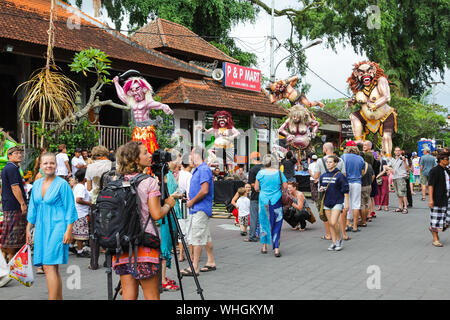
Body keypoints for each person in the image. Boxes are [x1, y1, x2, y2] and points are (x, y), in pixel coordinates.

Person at [112, 141, 175, 300]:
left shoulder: (117, 180)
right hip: (145, 243)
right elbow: (156, 214)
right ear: (135, 159)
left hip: (123, 244)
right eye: (145, 153)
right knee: (152, 295)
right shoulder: (149, 181)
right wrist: (168, 204)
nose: (150, 155)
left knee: (128, 294)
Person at [25, 152, 78, 300]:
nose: (49, 166)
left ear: (56, 165)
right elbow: (33, 208)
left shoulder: (62, 184)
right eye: (46, 163)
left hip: (58, 227)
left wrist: (69, 230)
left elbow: (70, 208)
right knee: (50, 267)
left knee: (49, 265)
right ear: (40, 165)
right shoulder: (36, 184)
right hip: (42, 228)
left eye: (52, 163)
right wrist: (28, 227)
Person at [182, 146, 216, 276]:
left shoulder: (203, 169)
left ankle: (194, 267)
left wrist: (192, 201)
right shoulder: (200, 169)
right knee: (205, 237)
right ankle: (211, 261)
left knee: (197, 237)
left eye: (191, 154)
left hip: (200, 208)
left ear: (196, 154)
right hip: (199, 207)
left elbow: (205, 190)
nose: (190, 157)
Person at [312, 142, 350, 241]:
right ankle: (344, 234)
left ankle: (329, 234)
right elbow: (344, 175)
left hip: (324, 191)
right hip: (338, 189)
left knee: (324, 212)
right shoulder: (340, 160)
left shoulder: (320, 161)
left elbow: (316, 176)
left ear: (325, 149)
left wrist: (312, 174)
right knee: (340, 213)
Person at [85, 146, 113, 270]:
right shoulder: (112, 165)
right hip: (111, 201)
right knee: (109, 230)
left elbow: (89, 188)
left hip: (96, 201)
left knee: (94, 232)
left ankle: (94, 262)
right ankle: (109, 261)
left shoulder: (90, 167)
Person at [255, 153, 287, 258]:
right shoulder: (279, 173)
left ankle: (264, 246)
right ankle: (276, 248)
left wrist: (264, 190)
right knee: (277, 222)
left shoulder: (260, 173)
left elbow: (256, 188)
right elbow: (285, 186)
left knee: (264, 222)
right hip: (276, 200)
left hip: (263, 200)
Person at [1, 146, 27, 262]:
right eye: (16, 153)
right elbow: (15, 187)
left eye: (20, 153)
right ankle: (10, 263)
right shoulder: (11, 168)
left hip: (9, 204)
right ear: (9, 156)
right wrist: (22, 203)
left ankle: (6, 261)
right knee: (13, 236)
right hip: (14, 206)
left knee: (9, 234)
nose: (19, 155)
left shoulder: (9, 168)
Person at [318, 156, 350, 252]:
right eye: (327, 162)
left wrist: (347, 203)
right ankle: (334, 242)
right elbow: (321, 186)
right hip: (327, 201)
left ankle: (339, 240)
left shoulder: (339, 175)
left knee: (333, 222)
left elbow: (345, 190)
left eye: (330, 162)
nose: (328, 164)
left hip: (337, 201)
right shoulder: (323, 175)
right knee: (331, 224)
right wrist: (321, 189)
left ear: (335, 163)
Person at [427, 151, 450, 247]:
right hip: (438, 198)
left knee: (447, 220)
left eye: (448, 159)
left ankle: (433, 228)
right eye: (446, 159)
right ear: (441, 160)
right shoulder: (434, 170)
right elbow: (431, 185)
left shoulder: (447, 170)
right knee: (436, 220)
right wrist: (431, 199)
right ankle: (435, 239)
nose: (448, 161)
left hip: (447, 198)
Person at [341, 142, 365, 232]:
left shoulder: (343, 157)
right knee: (356, 204)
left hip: (346, 182)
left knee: (346, 203)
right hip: (357, 182)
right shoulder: (360, 158)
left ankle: (347, 224)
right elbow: (362, 172)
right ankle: (355, 226)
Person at [176, 153, 193, 262]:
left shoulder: (178, 174)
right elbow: (189, 191)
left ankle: (181, 255)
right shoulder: (189, 175)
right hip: (186, 203)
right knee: (189, 228)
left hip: (178, 202)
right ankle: (191, 255)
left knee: (181, 228)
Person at [72, 168, 91, 258]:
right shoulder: (81, 187)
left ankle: (71, 246)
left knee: (76, 231)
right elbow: (78, 200)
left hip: (78, 212)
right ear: (84, 178)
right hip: (81, 213)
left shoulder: (78, 186)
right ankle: (80, 251)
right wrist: (89, 203)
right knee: (80, 234)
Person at [244, 152, 263, 243]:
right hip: (266, 196)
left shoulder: (253, 170)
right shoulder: (265, 168)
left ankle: (252, 236)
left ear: (252, 159)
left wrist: (257, 187)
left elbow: (251, 183)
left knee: (254, 217)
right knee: (265, 216)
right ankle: (265, 235)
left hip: (256, 196)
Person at [387, 147, 409, 214]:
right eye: (396, 151)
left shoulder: (403, 158)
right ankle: (400, 207)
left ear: (401, 151)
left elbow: (407, 169)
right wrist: (391, 169)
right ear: (394, 152)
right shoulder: (393, 159)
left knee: (403, 192)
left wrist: (404, 161)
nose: (398, 152)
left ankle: (405, 207)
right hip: (395, 177)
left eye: (399, 151)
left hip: (401, 176)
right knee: (398, 193)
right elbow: (386, 166)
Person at [360, 153, 375, 227]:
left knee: (362, 204)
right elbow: (373, 176)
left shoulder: (359, 165)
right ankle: (368, 215)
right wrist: (369, 183)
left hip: (361, 186)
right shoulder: (369, 165)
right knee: (367, 202)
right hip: (368, 186)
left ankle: (363, 220)